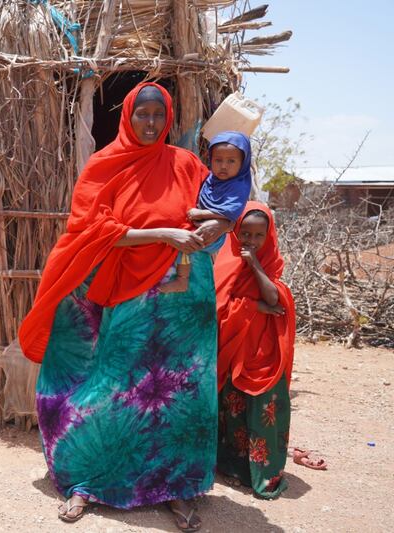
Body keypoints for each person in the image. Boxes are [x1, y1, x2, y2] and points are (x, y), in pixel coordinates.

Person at [18, 82, 232, 531]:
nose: (151, 123)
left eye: (159, 115)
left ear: (168, 117)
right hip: (123, 292)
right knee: (113, 386)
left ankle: (175, 487)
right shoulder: (105, 166)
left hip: (182, 295)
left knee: (178, 392)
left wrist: (212, 228)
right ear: (128, 116)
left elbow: (218, 210)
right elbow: (92, 228)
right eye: (143, 114)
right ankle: (87, 482)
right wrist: (163, 235)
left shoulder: (187, 165)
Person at [213, 202, 296, 499]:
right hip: (236, 349)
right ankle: (235, 468)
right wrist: (257, 306)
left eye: (258, 235)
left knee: (264, 411)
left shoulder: (271, 262)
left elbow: (275, 295)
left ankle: (265, 474)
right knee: (234, 409)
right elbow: (218, 305)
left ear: (269, 236)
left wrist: (255, 266)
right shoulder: (225, 263)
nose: (250, 241)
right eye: (244, 233)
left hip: (265, 352)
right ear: (235, 232)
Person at [159, 131, 252, 294]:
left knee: (185, 241)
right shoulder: (210, 179)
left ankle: (182, 280)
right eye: (218, 160)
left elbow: (229, 213)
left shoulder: (238, 186)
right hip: (201, 228)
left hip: (212, 236)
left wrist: (201, 214)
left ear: (242, 163)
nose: (223, 166)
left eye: (231, 161)